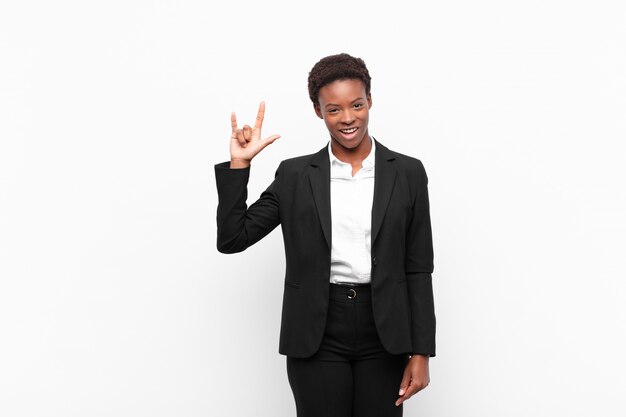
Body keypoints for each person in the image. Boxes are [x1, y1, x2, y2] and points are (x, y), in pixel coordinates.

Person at [214, 53, 435, 417]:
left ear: (370, 101)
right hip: (317, 329)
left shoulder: (408, 173)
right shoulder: (296, 176)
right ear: (318, 111)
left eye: (357, 105)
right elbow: (233, 239)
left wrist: (422, 351)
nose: (348, 118)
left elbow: (418, 267)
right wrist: (240, 165)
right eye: (333, 109)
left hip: (385, 331)